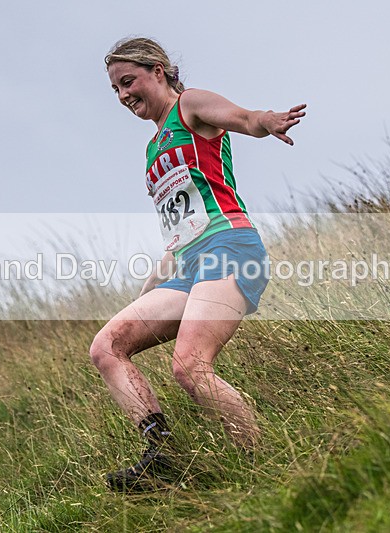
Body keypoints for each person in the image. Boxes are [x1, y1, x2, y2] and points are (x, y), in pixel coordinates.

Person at [91, 37, 306, 491]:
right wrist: (146, 296)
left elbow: (245, 118)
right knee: (106, 346)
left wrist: (268, 121)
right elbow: (178, 235)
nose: (123, 95)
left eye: (128, 81)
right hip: (187, 265)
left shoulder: (190, 107)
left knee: (189, 366)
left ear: (159, 71)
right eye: (115, 89)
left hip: (231, 249)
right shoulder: (153, 152)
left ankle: (262, 466)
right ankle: (161, 456)